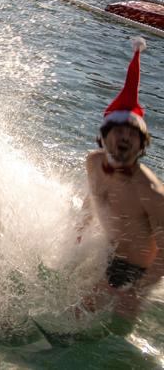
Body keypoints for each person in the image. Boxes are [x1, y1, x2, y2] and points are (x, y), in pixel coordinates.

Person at [79, 38, 164, 319]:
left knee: (87, 319)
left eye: (133, 134)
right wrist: (77, 235)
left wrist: (138, 292)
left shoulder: (149, 190)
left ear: (142, 145)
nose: (125, 137)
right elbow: (92, 201)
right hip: (108, 253)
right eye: (118, 131)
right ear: (102, 137)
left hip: (135, 271)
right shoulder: (93, 162)